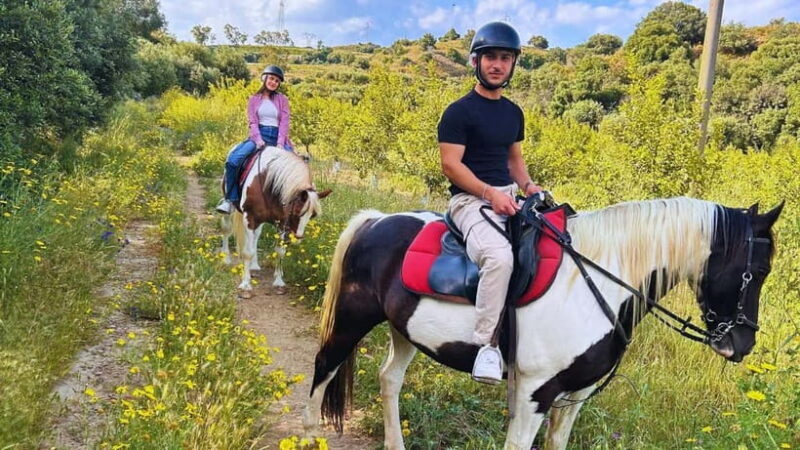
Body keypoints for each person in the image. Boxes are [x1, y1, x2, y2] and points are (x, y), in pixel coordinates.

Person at [437, 22, 542, 384]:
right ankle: (486, 346)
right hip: (470, 201)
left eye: (505, 58)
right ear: (476, 62)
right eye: (490, 58)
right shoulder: (459, 112)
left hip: (508, 197)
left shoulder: (513, 113)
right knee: (499, 257)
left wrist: (528, 186)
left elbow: (514, 161)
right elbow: (451, 165)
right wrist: (490, 193)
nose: (497, 65)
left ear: (513, 65)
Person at [216, 65, 295, 214]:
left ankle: (290, 209)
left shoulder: (282, 99)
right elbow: (252, 122)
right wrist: (258, 140)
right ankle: (230, 200)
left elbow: (285, 122)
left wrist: (280, 143)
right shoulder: (253, 99)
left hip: (279, 137)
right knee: (233, 160)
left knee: (297, 166)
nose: (274, 82)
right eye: (271, 78)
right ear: (264, 78)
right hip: (259, 134)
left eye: (277, 81)